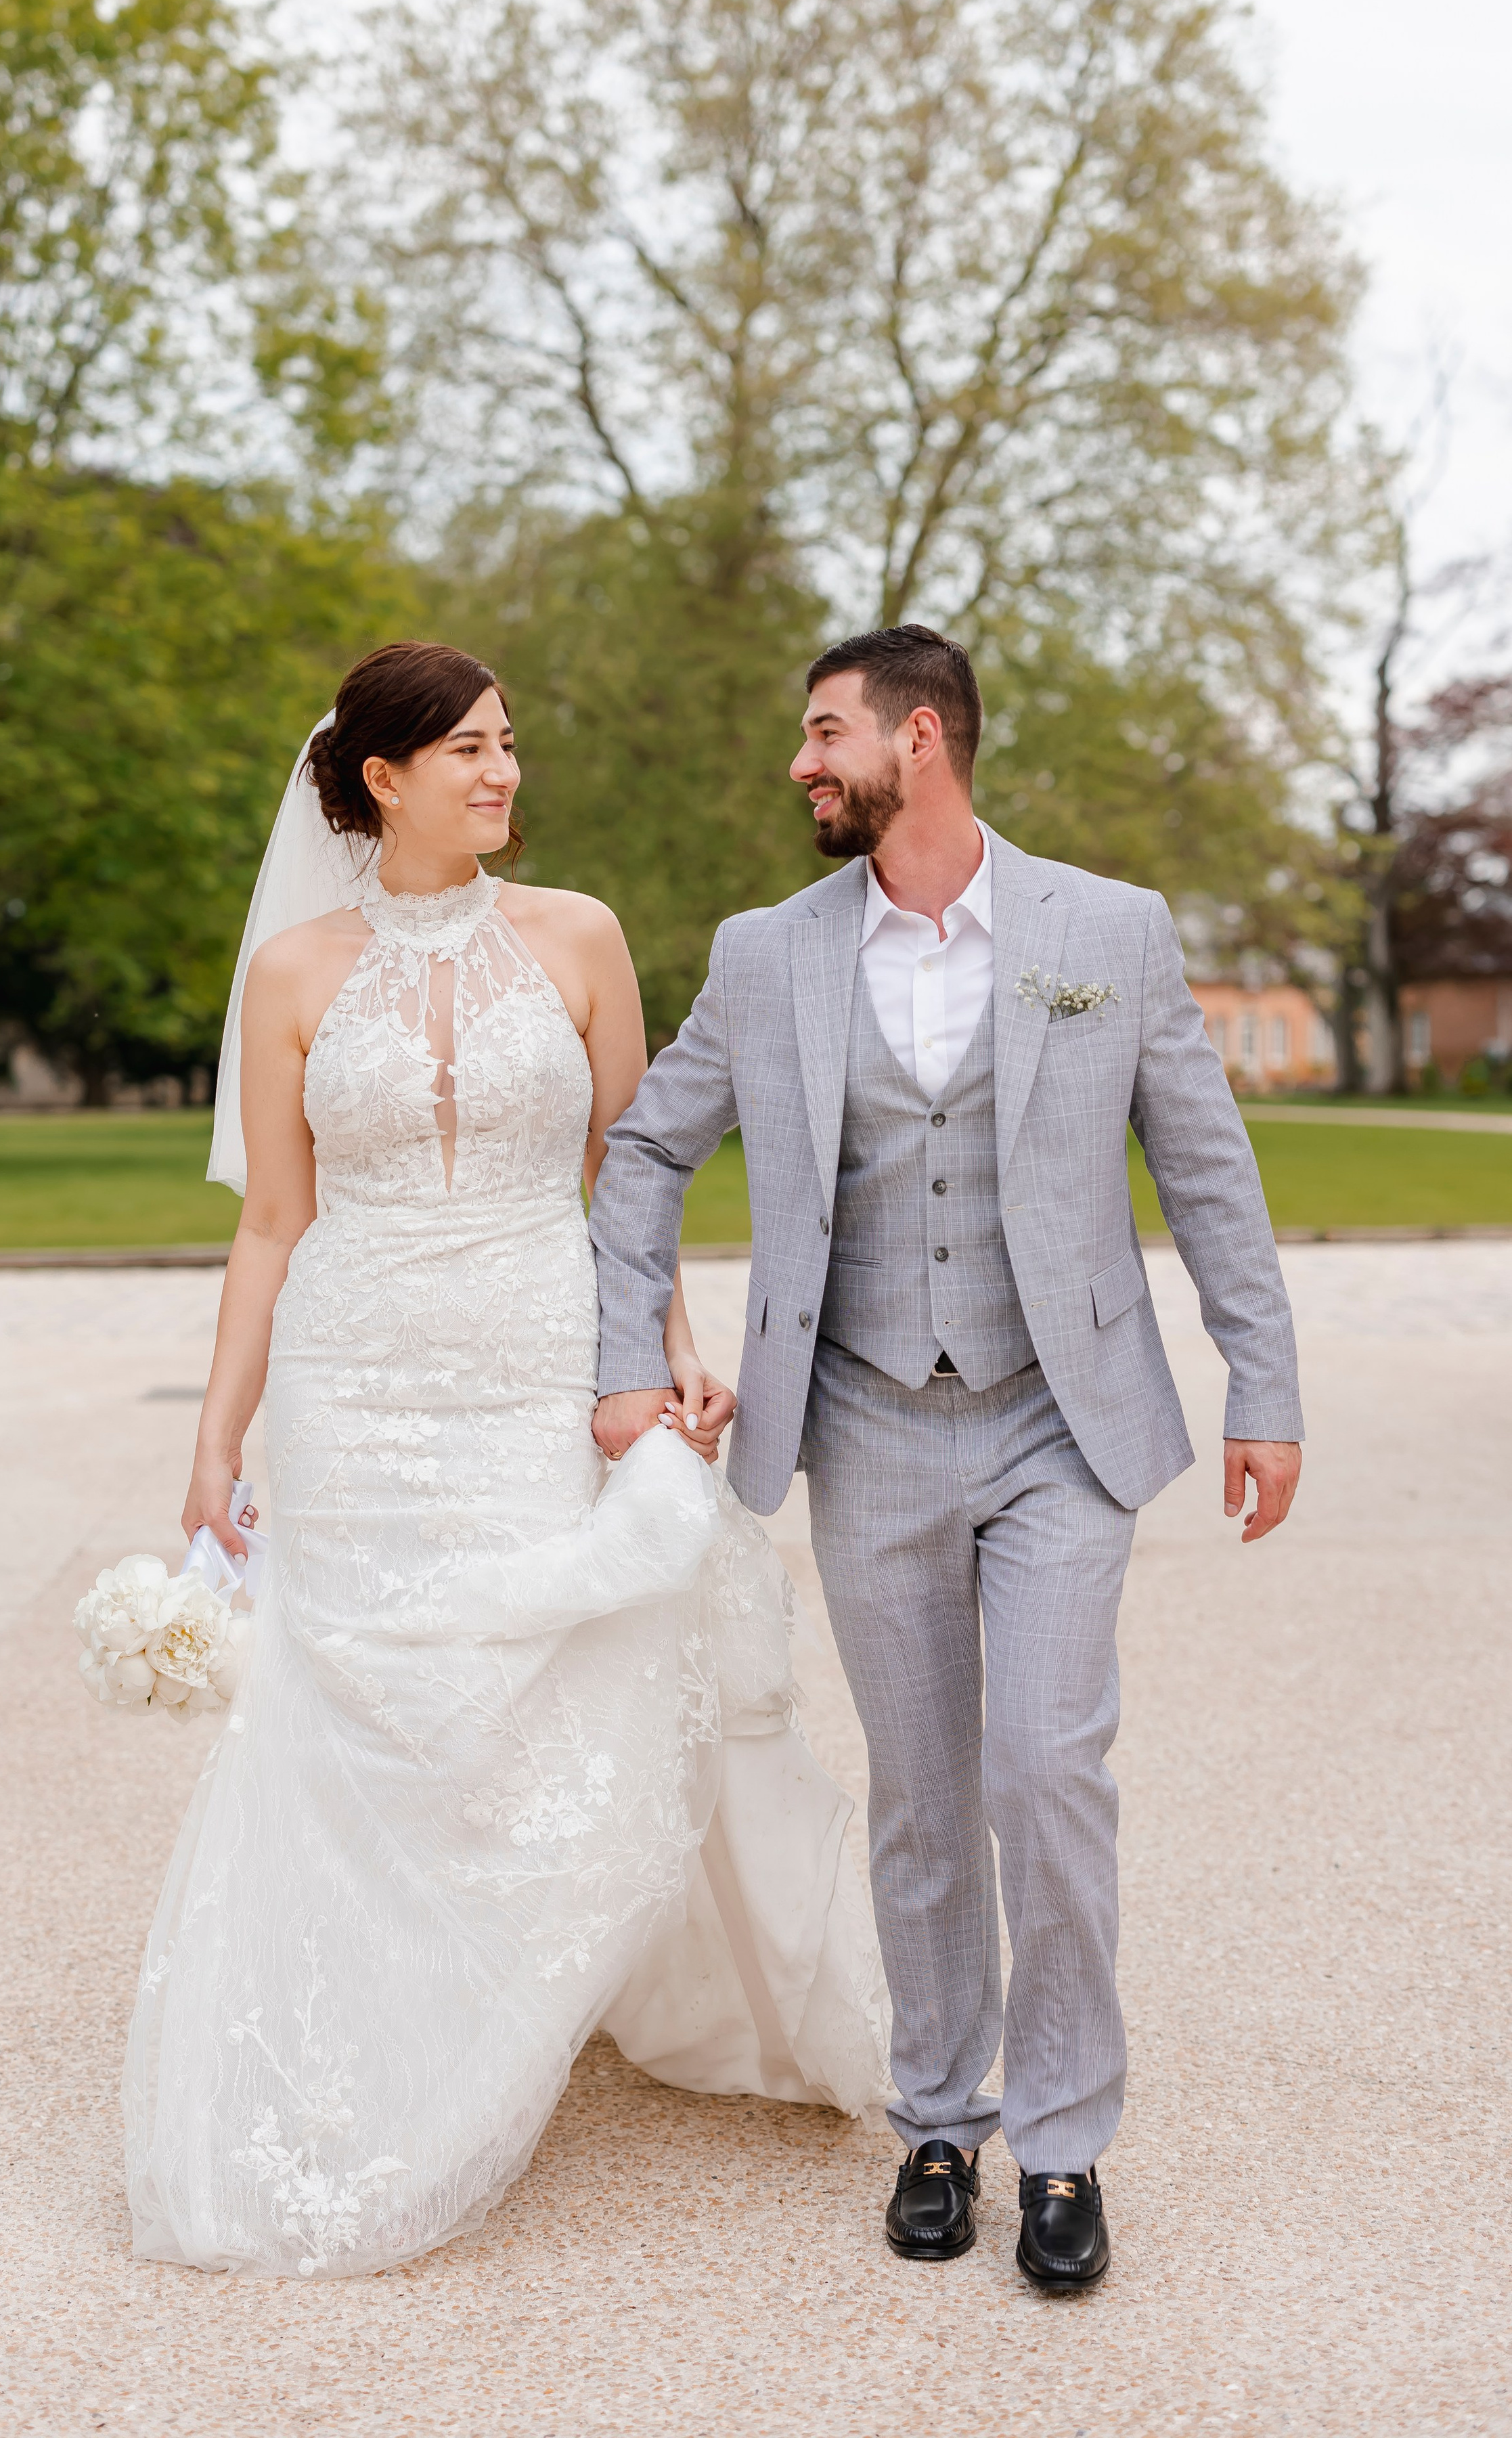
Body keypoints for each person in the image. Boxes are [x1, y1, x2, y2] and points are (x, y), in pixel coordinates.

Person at [125, 641, 889, 2278]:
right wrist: (215, 1438)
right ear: (378, 779)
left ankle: (511, 2012)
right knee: (365, 1712)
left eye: (508, 745)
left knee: (552, 1683)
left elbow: (633, 1169)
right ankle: (380, 2049)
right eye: (466, 751)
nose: (501, 774)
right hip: (357, 1373)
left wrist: (665, 1352)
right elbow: (273, 1219)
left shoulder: (580, 937)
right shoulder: (294, 975)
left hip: (542, 1355)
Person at [589, 624, 1303, 2292]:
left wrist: (1260, 1385)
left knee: (1046, 1774)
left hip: (1061, 1418)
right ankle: (937, 2118)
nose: (798, 764)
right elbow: (641, 1153)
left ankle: (1059, 2149)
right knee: (919, 1796)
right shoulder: (767, 955)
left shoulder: (1102, 933)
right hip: (857, 1418)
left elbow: (1207, 1170)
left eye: (821, 732)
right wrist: (630, 1363)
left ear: (920, 741)